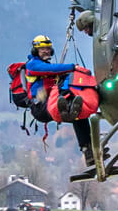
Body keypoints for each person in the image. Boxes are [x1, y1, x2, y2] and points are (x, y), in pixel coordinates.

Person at [22, 35, 95, 165]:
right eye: (42, 49)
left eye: (48, 49)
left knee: (79, 114)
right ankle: (64, 106)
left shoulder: (46, 67)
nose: (46, 51)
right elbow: (50, 69)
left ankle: (88, 151)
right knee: (64, 87)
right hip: (40, 107)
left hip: (50, 105)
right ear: (35, 51)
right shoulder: (32, 65)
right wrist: (73, 66)